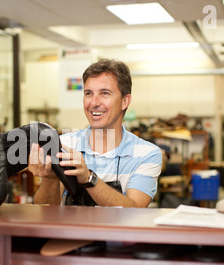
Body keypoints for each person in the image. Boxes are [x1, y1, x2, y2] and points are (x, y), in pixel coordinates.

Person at [29, 59, 163, 207]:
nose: (93, 102)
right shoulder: (65, 145)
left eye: (104, 93)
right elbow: (46, 211)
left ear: (125, 101)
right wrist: (50, 179)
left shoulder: (147, 154)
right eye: (88, 93)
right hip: (71, 231)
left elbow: (135, 209)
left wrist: (88, 178)